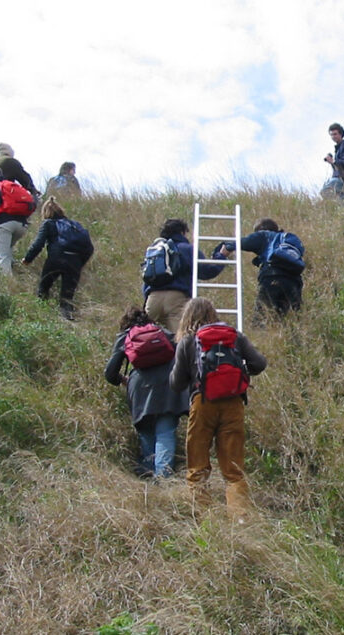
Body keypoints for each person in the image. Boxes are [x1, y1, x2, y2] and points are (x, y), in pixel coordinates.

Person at [169, 298, 267, 512]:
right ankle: (240, 520)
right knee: (234, 471)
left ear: (188, 317)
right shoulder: (234, 337)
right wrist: (239, 375)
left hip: (202, 403)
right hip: (233, 403)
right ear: (213, 315)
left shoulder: (187, 341)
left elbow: (176, 384)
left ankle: (202, 521)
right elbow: (259, 363)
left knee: (197, 468)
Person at [104, 307, 189, 479]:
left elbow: (110, 373)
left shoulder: (125, 336)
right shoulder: (163, 332)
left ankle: (147, 475)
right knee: (165, 434)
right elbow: (182, 355)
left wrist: (122, 380)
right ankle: (164, 479)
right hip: (168, 388)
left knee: (146, 432)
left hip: (140, 389)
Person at [142, 218, 230, 334]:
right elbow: (208, 271)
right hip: (176, 299)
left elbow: (147, 279)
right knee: (181, 340)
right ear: (183, 232)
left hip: (152, 300)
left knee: (145, 339)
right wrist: (221, 256)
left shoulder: (155, 251)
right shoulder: (187, 249)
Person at [21, 196, 94, 320]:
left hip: (56, 259)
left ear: (45, 212)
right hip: (74, 261)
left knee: (43, 289)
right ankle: (67, 321)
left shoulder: (48, 223)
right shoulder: (75, 225)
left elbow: (38, 244)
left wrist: (28, 259)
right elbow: (89, 248)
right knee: (67, 297)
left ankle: (41, 316)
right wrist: (79, 263)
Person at [221, 218, 304, 320]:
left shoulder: (265, 235)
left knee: (261, 317)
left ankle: (262, 333)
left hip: (272, 277)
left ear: (260, 229)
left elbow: (245, 242)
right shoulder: (290, 239)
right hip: (294, 282)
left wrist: (227, 247)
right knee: (291, 320)